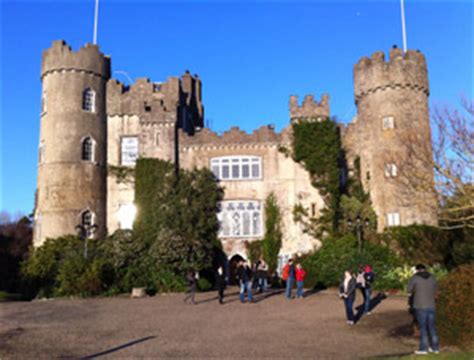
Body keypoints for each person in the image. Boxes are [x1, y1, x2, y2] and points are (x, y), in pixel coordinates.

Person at [407, 264, 440, 355]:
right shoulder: (432, 277)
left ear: (417, 270)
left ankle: (423, 349)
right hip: (431, 305)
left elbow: (408, 290)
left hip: (420, 305)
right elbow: (436, 290)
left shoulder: (415, 278)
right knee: (432, 327)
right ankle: (435, 348)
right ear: (425, 269)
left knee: (423, 328)